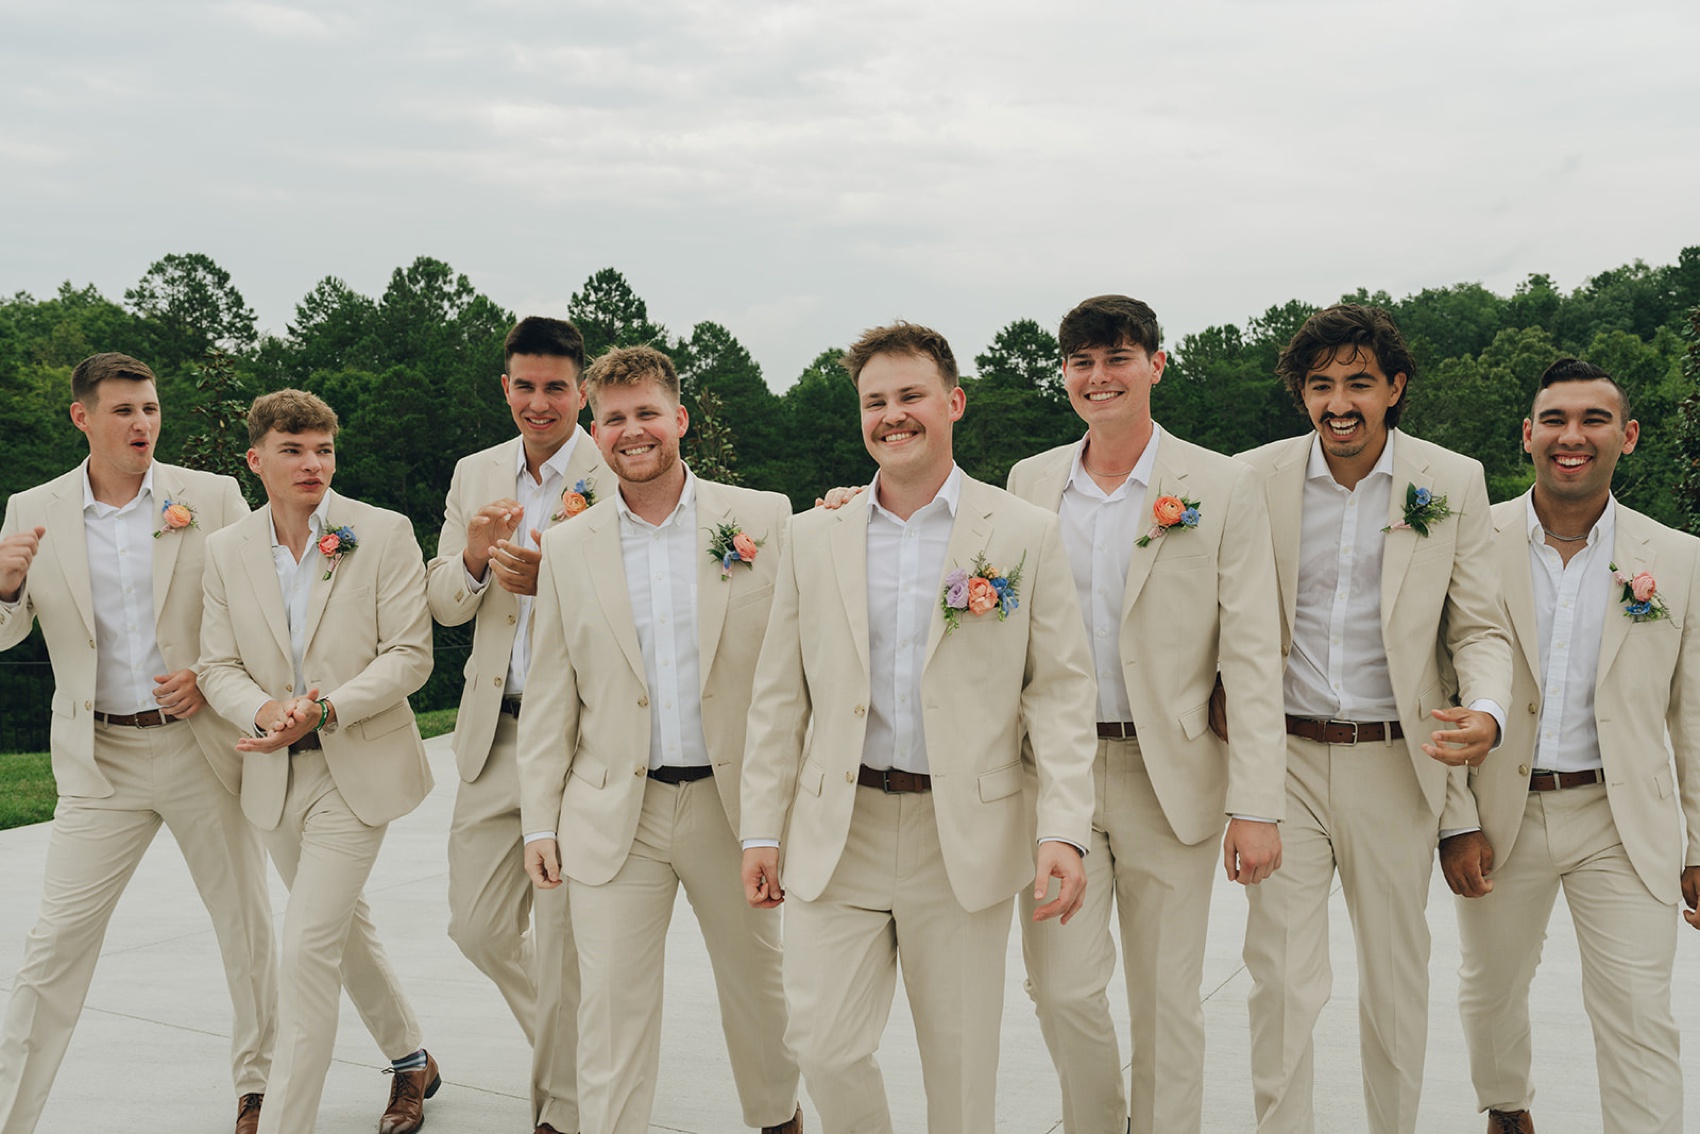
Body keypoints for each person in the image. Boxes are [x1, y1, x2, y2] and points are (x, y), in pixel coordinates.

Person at [740, 321, 1098, 1134]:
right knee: (824, 1047)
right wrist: (761, 830)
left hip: (964, 835)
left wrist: (1063, 830)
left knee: (962, 1070)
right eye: (875, 402)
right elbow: (777, 700)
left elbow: (1061, 694)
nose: (892, 415)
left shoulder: (1023, 534)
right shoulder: (811, 535)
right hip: (839, 828)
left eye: (910, 397)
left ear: (953, 403)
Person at [1006, 295, 1287, 1134]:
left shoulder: (1221, 485)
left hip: (1173, 773)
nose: (1099, 377)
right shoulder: (1029, 482)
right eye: (1082, 362)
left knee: (1169, 1001)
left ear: (1155, 365)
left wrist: (1257, 804)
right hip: (1055, 777)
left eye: (1117, 358)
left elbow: (1252, 653)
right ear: (1064, 375)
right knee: (1060, 987)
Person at [1234, 304, 1512, 1134]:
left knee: (1396, 979)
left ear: (1394, 388)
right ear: (1301, 397)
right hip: (1281, 760)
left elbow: (1479, 628)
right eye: (1321, 386)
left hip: (1399, 763)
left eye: (1358, 382)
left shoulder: (1450, 480)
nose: (1339, 402)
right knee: (1281, 979)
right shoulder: (1251, 479)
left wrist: (1487, 714)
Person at [517, 344, 803, 1134]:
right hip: (614, 812)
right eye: (613, 419)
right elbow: (550, 695)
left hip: (734, 808)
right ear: (593, 429)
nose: (631, 431)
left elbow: (800, 668)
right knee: (610, 1010)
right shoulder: (568, 546)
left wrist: (779, 817)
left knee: (761, 993)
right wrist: (539, 819)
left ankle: (779, 1120)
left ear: (679, 419)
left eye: (647, 414)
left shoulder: (765, 518)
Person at [0, 353, 276, 1134]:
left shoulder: (212, 496)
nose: (142, 424)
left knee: (246, 930)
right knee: (52, 951)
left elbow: (261, 608)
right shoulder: (32, 506)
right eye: (123, 411)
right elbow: (5, 632)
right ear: (83, 418)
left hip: (201, 746)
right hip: (99, 761)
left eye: (150, 409)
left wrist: (211, 677)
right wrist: (4, 585)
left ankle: (259, 1093)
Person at [1445, 358, 1700, 1134]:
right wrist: (1457, 818)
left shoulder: (1679, 558)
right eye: (1555, 419)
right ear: (1527, 435)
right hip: (1501, 809)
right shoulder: (1468, 539)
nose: (1572, 435)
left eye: (1593, 419)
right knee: (1490, 991)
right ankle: (1506, 1107)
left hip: (1623, 821)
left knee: (1636, 1013)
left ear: (1627, 436)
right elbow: (1441, 690)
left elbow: (1692, 715)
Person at [198, 389, 439, 1134]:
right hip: (271, 774)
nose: (312, 464)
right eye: (294, 450)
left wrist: (324, 707)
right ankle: (411, 1062)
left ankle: (284, 1123)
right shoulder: (226, 548)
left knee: (304, 947)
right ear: (256, 459)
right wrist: (266, 710)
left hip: (356, 767)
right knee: (339, 929)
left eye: (323, 449)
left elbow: (410, 656)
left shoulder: (383, 530)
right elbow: (217, 665)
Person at [425, 315, 600, 1134]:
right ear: (506, 388)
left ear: (582, 391)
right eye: (524, 387)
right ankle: (587, 1054)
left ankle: (562, 1108)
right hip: (494, 729)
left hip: (584, 735)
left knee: (562, 937)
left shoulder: (617, 462)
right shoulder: (474, 472)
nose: (539, 403)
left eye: (555, 388)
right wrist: (470, 553)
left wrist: (554, 579)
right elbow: (445, 606)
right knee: (478, 926)